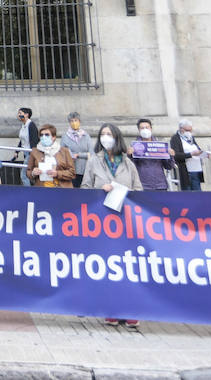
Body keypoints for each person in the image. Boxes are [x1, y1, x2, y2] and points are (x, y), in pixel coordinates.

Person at [85, 123, 143, 326]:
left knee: (128, 267)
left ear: (116, 137)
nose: (105, 137)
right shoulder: (94, 162)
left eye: (109, 134)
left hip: (125, 222)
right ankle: (112, 308)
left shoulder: (128, 164)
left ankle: (130, 309)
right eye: (102, 134)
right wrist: (102, 188)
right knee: (108, 267)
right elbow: (85, 188)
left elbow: (139, 190)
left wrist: (125, 192)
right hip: (101, 221)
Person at [25, 123, 76, 188]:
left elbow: (72, 173)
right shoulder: (35, 151)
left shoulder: (64, 151)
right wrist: (33, 173)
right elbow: (28, 172)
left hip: (62, 189)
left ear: (53, 137)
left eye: (47, 135)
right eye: (41, 135)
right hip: (42, 189)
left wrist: (57, 173)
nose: (43, 137)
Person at [131, 118, 171, 190]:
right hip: (143, 185)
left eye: (147, 127)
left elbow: (168, 166)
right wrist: (130, 155)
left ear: (151, 128)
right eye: (142, 128)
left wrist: (170, 156)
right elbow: (131, 167)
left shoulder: (160, 145)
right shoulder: (134, 146)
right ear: (139, 130)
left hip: (160, 185)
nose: (145, 129)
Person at [170, 119, 206, 191]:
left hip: (196, 170)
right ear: (181, 129)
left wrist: (203, 154)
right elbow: (176, 155)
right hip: (186, 172)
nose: (189, 132)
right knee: (187, 194)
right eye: (187, 130)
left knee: (198, 194)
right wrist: (191, 154)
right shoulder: (175, 138)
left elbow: (197, 149)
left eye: (190, 130)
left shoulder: (191, 138)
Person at [62, 113, 93, 187]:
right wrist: (71, 155)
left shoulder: (86, 136)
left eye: (76, 120)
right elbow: (62, 153)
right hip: (71, 169)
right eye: (71, 121)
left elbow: (92, 153)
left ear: (79, 121)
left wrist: (78, 155)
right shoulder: (65, 136)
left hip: (85, 170)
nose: (74, 123)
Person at [12, 107, 37, 186]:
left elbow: (34, 140)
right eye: (18, 113)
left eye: (20, 113)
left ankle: (28, 192)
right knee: (29, 174)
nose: (18, 115)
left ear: (26, 115)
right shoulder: (23, 126)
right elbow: (22, 140)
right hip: (26, 153)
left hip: (30, 153)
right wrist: (17, 151)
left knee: (24, 175)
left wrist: (33, 155)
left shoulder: (31, 125)